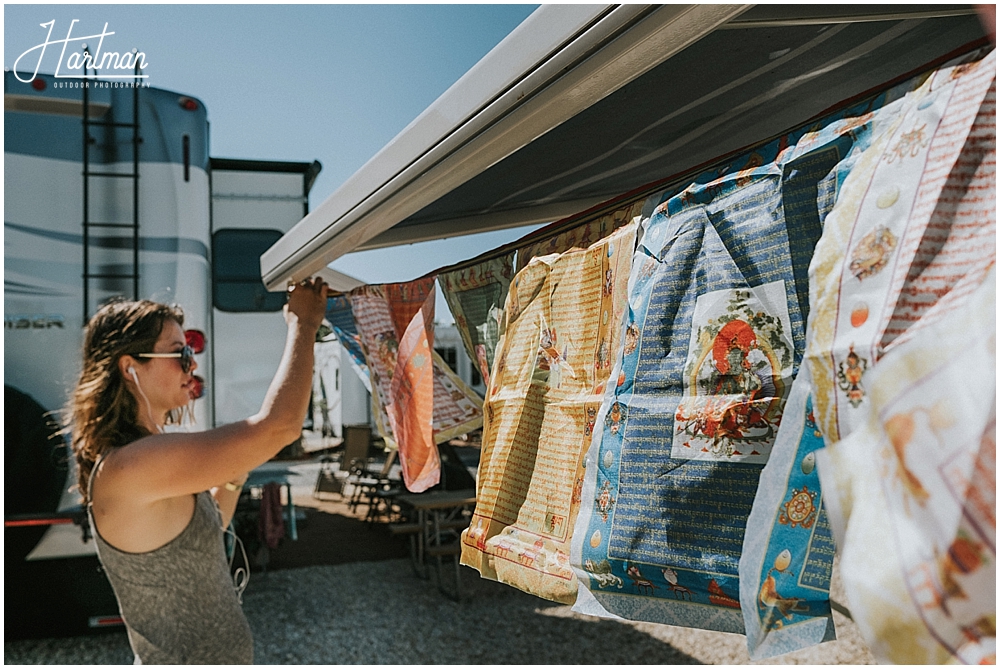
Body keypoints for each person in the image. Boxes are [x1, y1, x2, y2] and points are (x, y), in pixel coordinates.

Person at [67, 277, 328, 664]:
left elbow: (206, 527)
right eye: (179, 353)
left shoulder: (145, 456)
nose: (192, 364)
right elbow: (282, 426)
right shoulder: (131, 464)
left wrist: (235, 467)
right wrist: (303, 325)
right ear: (129, 367)